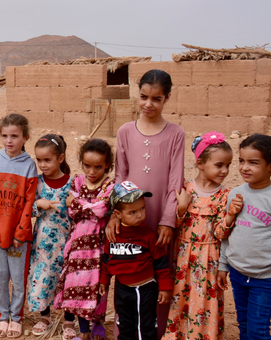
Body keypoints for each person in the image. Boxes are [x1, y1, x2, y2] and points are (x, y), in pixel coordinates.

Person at [106, 69, 184, 338]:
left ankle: (155, 331)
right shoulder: (126, 131)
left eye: (157, 99)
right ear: (136, 94)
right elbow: (120, 175)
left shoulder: (176, 134)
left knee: (159, 267)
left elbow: (176, 179)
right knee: (128, 267)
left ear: (167, 98)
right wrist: (115, 215)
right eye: (143, 97)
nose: (148, 104)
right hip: (128, 216)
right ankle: (123, 331)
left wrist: (167, 220)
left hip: (159, 214)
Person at [162, 132, 234, 339]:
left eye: (228, 165)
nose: (225, 170)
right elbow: (172, 225)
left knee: (205, 301)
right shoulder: (185, 189)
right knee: (181, 298)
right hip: (183, 257)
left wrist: (230, 216)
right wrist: (182, 208)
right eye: (219, 165)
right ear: (201, 163)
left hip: (209, 260)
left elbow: (221, 233)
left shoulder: (225, 195)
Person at [218, 134, 271, 340]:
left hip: (266, 277)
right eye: (242, 161)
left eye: (253, 162)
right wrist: (223, 265)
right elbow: (227, 234)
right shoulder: (235, 194)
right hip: (238, 272)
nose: (245, 167)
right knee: (244, 325)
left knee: (257, 330)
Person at [0, 114, 37, 338]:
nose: (9, 141)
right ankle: (3, 316)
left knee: (18, 279)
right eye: (5, 136)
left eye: (15, 136)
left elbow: (29, 203)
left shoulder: (29, 165)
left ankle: (17, 317)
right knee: (1, 276)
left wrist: (20, 233)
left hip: (18, 236)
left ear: (25, 137)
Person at [52, 138, 115, 340]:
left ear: (107, 165)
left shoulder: (110, 184)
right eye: (87, 165)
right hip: (78, 245)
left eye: (98, 166)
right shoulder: (77, 181)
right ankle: (84, 330)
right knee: (77, 287)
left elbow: (101, 209)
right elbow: (71, 211)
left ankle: (98, 324)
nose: (92, 171)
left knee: (98, 287)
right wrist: (87, 206)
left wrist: (79, 203)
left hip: (99, 246)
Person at [99, 181, 173, 340]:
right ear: (118, 214)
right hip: (122, 289)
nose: (140, 215)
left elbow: (161, 263)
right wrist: (104, 281)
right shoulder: (113, 235)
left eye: (142, 209)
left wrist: (165, 287)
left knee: (145, 328)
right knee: (124, 326)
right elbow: (107, 261)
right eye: (132, 212)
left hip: (145, 289)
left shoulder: (148, 235)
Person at [26, 134, 75, 338]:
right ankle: (44, 316)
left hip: (68, 241)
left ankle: (69, 320)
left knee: (68, 279)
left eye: (47, 160)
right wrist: (37, 204)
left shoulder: (73, 184)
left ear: (61, 158)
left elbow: (81, 211)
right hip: (43, 243)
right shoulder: (36, 183)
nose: (42, 165)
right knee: (43, 277)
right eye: (39, 160)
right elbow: (25, 208)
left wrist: (76, 204)